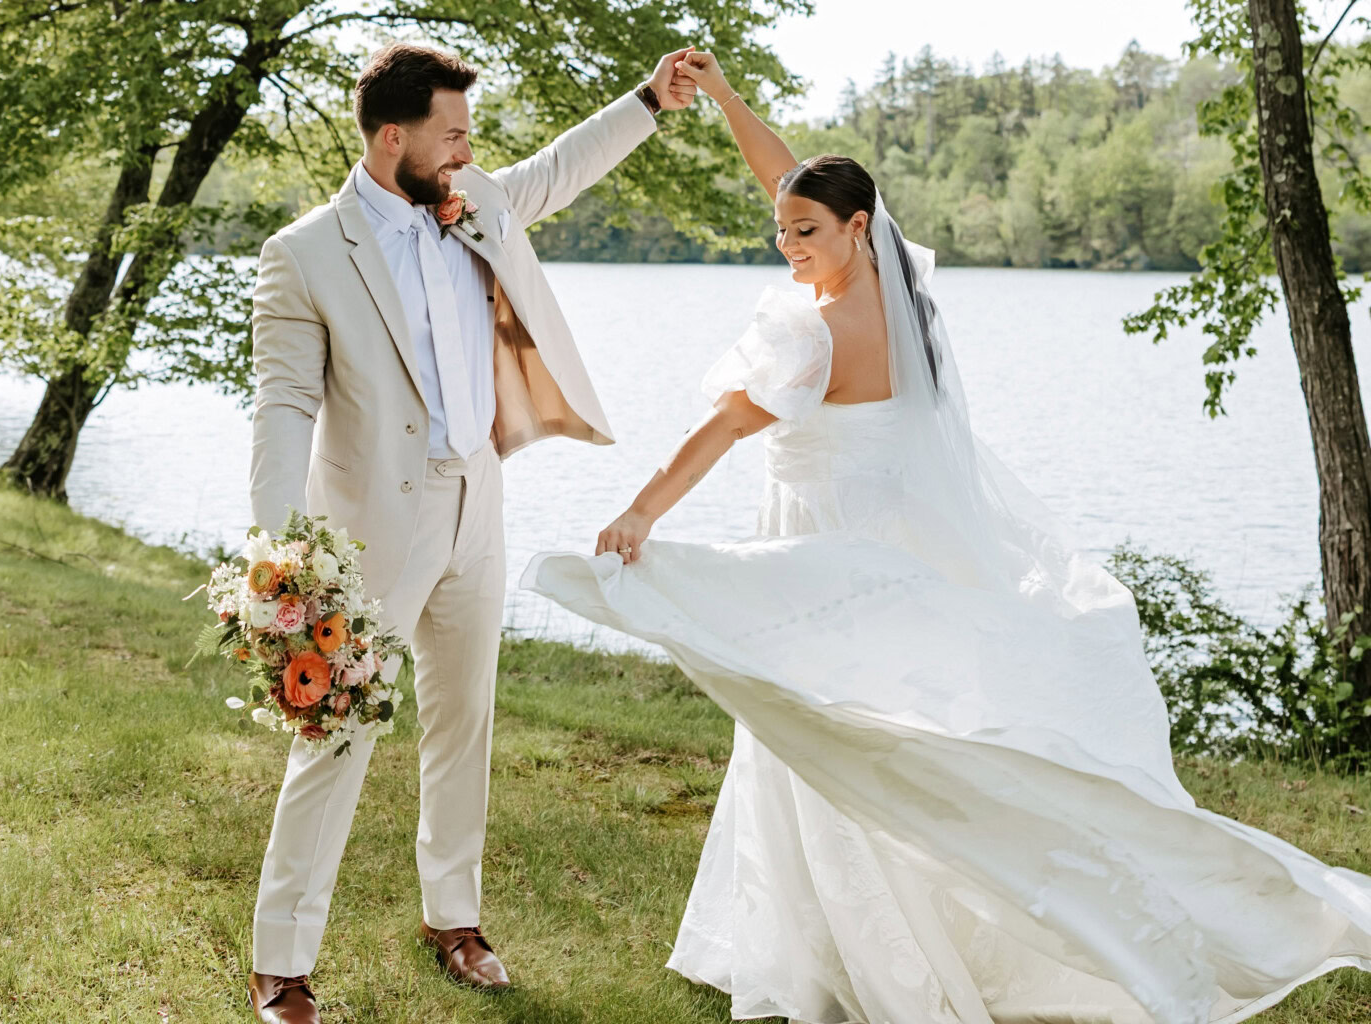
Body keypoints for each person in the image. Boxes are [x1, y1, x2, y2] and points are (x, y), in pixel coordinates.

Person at [522, 50, 1371, 1024]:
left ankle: (852, 959)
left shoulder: (807, 334)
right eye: (781, 232)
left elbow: (715, 429)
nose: (787, 246)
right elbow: (798, 185)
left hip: (825, 549)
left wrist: (639, 513)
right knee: (897, 729)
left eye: (804, 234)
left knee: (831, 734)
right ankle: (849, 940)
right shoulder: (899, 291)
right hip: (897, 551)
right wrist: (723, 99)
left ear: (852, 228)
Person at [244, 42, 697, 1023]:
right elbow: (280, 406)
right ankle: (280, 963)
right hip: (366, 538)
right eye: (452, 134)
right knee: (333, 739)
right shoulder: (303, 255)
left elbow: (556, 172)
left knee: (465, 724)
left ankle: (454, 919)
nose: (467, 150)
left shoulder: (474, 198)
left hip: (475, 508)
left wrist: (650, 101)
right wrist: (279, 554)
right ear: (393, 136)